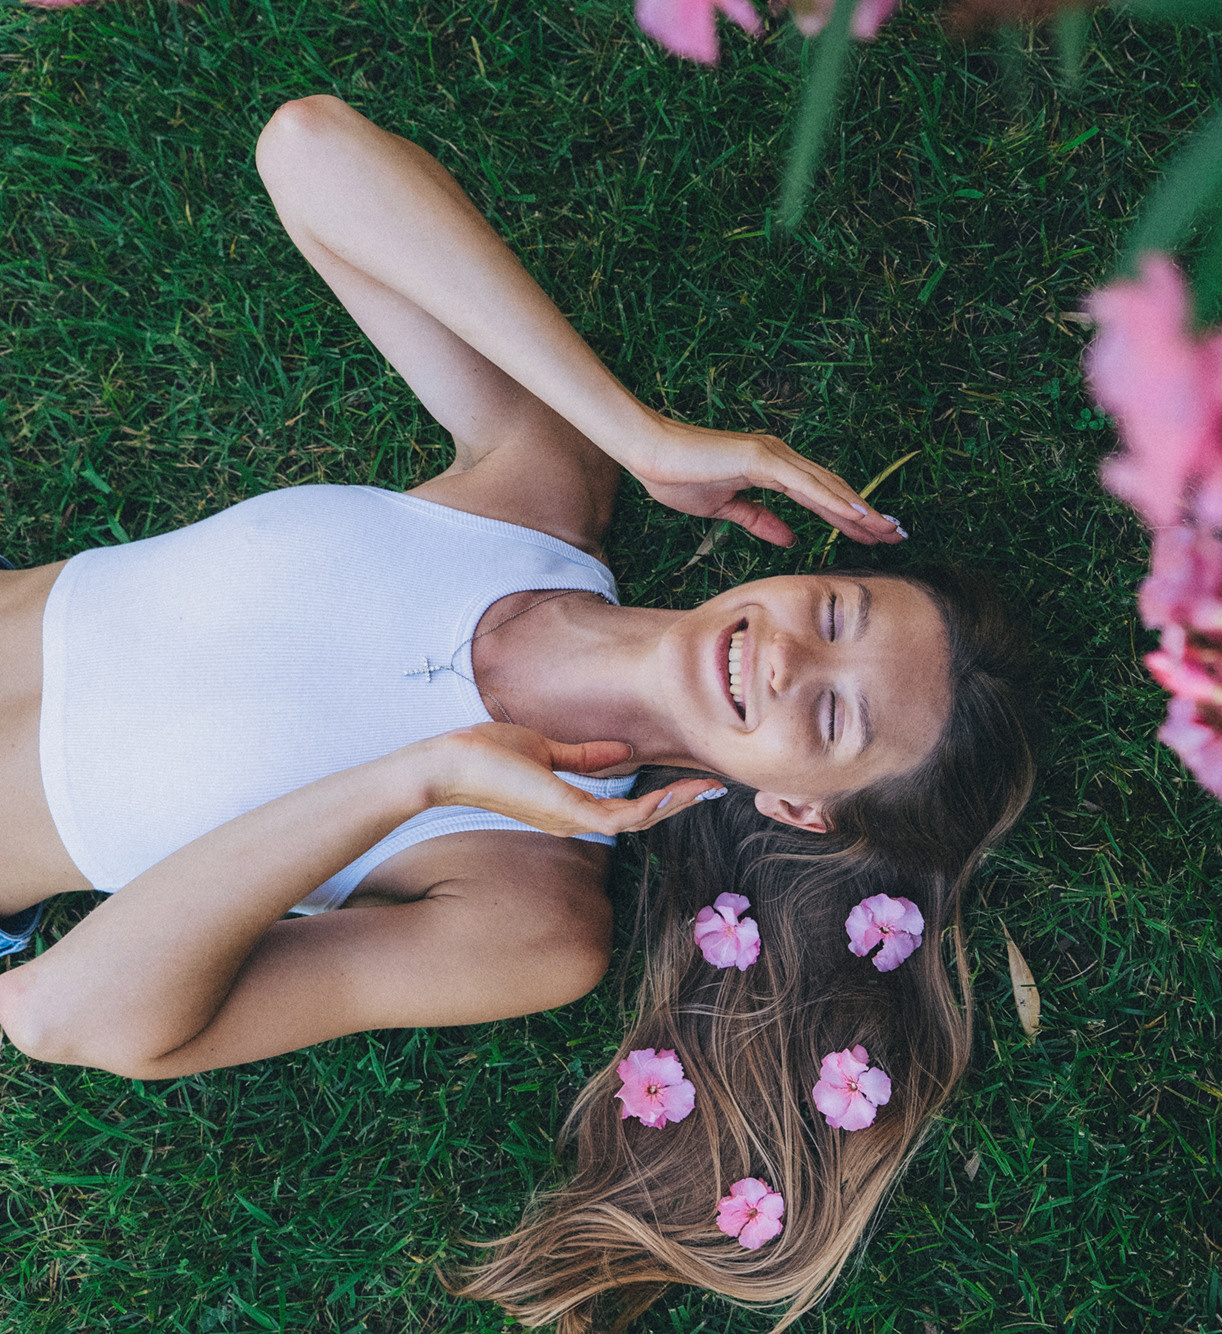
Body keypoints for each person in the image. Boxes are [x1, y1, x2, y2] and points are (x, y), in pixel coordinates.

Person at [0, 96, 1036, 1328]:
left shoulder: (533, 915)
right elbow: (308, 149)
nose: (787, 657)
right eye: (832, 611)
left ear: (799, 806)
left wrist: (420, 778)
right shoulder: (541, 490)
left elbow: (60, 1012)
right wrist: (638, 433)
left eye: (829, 719)